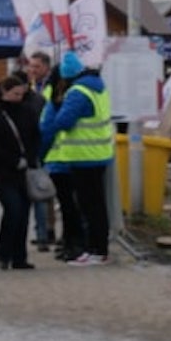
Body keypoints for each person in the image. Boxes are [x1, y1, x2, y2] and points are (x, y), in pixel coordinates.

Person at [40, 51, 112, 266]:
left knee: (89, 207)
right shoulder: (98, 87)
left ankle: (96, 251)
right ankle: (99, 249)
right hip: (99, 154)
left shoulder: (78, 91)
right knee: (96, 205)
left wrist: (58, 106)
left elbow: (63, 121)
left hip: (83, 156)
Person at [0, 74, 41, 270]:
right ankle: (3, 253)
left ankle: (19, 257)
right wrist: (13, 159)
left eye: (21, 94)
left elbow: (34, 136)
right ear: (4, 92)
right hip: (1, 171)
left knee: (23, 212)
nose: (19, 98)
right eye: (15, 94)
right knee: (13, 209)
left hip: (24, 171)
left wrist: (30, 158)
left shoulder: (27, 110)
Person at [22, 51, 58, 252]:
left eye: (36, 66)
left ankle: (48, 231)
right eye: (30, 66)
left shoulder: (51, 87)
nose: (32, 70)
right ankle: (46, 232)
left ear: (46, 67)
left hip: (49, 145)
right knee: (43, 190)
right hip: (38, 143)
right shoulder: (32, 87)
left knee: (47, 190)